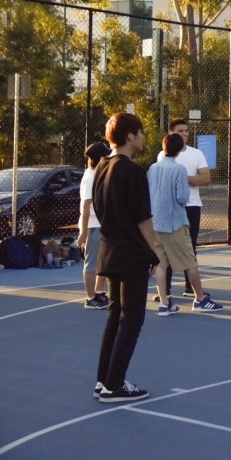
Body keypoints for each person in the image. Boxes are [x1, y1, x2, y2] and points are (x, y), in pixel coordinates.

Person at [92, 112, 158, 403]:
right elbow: (143, 218)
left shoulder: (101, 166)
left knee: (114, 318)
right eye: (140, 132)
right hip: (131, 255)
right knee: (132, 320)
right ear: (129, 136)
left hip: (110, 251)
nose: (143, 137)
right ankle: (114, 385)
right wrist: (156, 252)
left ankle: (103, 379)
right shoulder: (131, 171)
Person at [148, 133, 222, 315]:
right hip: (175, 222)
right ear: (180, 149)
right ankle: (200, 299)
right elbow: (182, 196)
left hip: (156, 222)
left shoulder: (153, 168)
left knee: (162, 263)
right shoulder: (178, 169)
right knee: (190, 261)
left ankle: (165, 303)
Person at [155, 118, 211, 301]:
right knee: (165, 253)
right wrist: (181, 178)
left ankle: (190, 288)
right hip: (170, 210)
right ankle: (166, 291)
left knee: (190, 248)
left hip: (192, 207)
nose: (185, 134)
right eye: (180, 131)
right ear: (171, 134)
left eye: (186, 131)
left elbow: (205, 178)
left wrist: (181, 178)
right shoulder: (162, 156)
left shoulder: (197, 154)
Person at [78, 141, 111, 310]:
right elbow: (86, 205)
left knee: (102, 261)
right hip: (92, 225)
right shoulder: (90, 177)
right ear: (99, 158)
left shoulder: (98, 173)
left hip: (101, 223)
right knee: (91, 263)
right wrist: (83, 232)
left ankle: (98, 291)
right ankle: (91, 298)